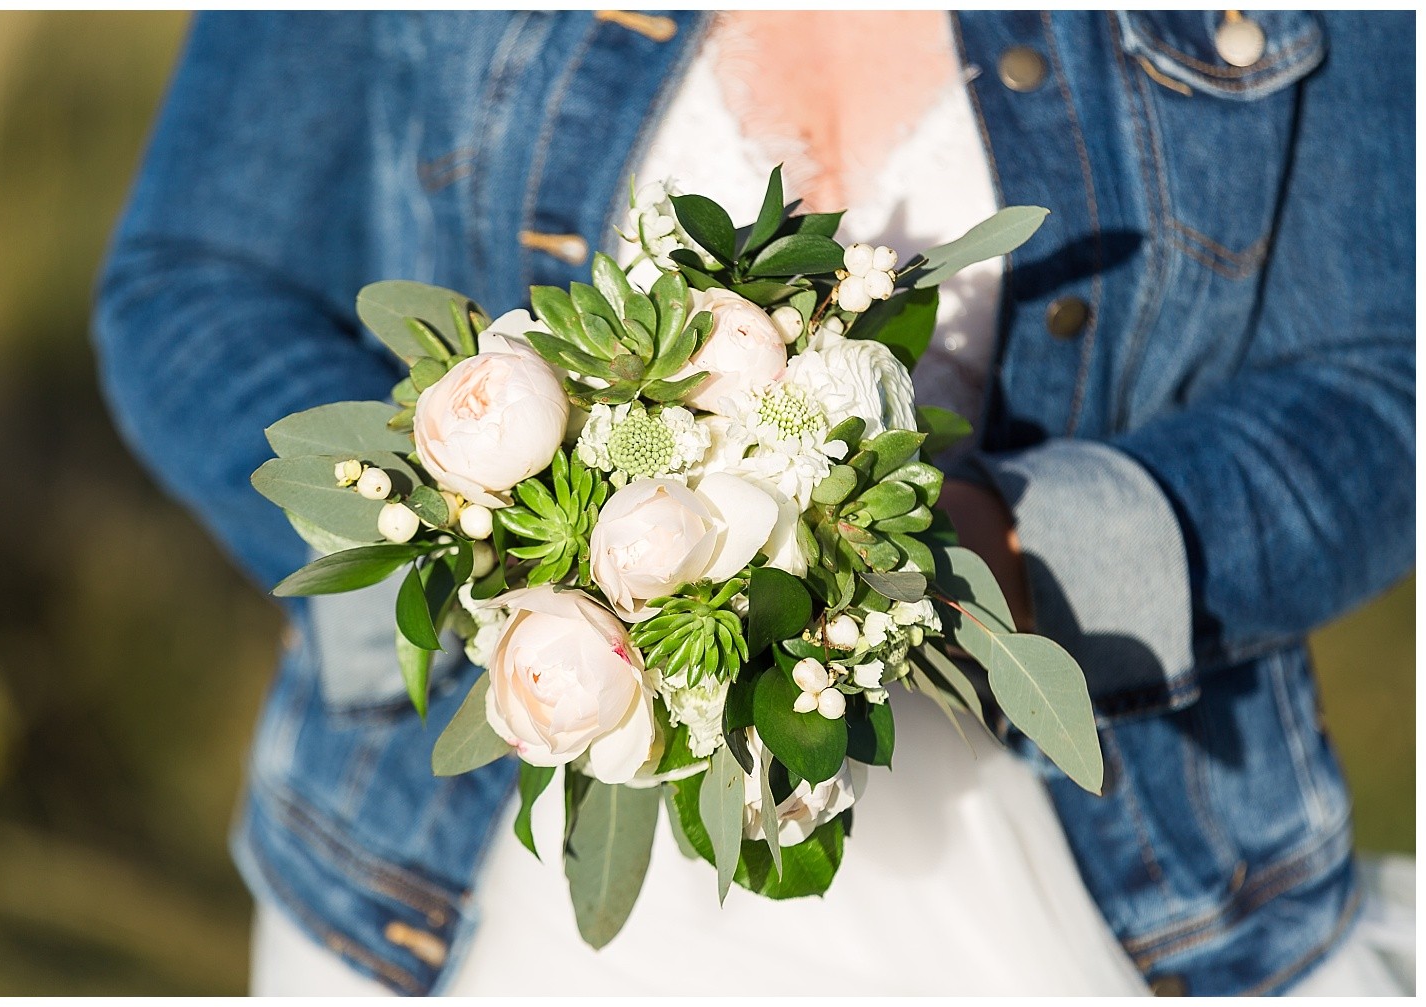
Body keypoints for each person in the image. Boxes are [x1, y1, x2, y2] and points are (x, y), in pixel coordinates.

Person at [94, 11, 1414, 997]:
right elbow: (194, 285)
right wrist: (487, 554)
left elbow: (1385, 385)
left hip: (1120, 878)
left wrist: (1009, 558)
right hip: (454, 879)